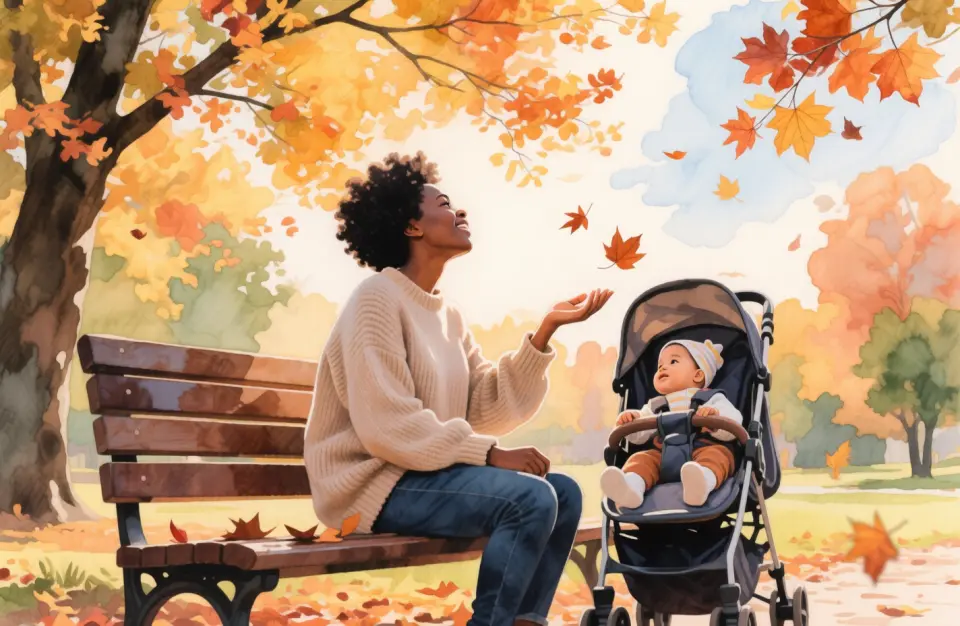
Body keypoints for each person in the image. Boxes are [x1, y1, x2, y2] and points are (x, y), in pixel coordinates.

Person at [303, 152, 613, 626]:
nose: (460, 212)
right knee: (529, 498)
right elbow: (387, 426)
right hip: (374, 484)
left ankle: (522, 621)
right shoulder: (375, 300)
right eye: (445, 204)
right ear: (411, 227)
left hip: (422, 474)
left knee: (564, 492)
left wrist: (545, 331)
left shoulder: (446, 315)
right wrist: (491, 455)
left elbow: (485, 406)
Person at [600, 339, 742, 508]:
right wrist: (632, 421)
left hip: (703, 448)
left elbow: (733, 423)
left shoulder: (711, 398)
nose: (662, 367)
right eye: (659, 365)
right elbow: (639, 436)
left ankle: (702, 482)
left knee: (719, 455)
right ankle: (631, 488)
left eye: (673, 361)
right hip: (662, 454)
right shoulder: (655, 405)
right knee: (640, 459)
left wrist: (715, 418)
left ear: (698, 374)